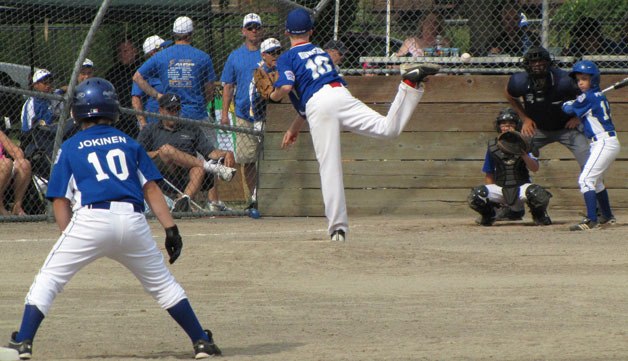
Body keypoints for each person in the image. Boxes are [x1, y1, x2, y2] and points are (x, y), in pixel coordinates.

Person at [6, 78, 222, 359]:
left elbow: (60, 199)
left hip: (91, 219)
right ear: (112, 108)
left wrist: (68, 236)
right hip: (133, 221)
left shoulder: (71, 147)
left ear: (78, 110)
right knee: (163, 285)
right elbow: (151, 189)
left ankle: (23, 341)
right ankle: (200, 341)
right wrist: (171, 228)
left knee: (49, 278)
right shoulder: (129, 144)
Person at [269, 8, 440, 241]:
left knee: (329, 166)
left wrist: (271, 95)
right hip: (340, 94)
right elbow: (311, 95)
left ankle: (338, 228)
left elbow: (286, 89)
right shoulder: (320, 51)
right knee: (387, 129)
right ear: (311, 31)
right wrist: (294, 128)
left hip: (318, 104)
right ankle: (409, 84)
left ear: (287, 32)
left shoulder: (286, 57)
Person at [137, 93, 236, 212]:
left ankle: (182, 202)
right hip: (161, 175)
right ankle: (213, 168)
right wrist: (160, 152)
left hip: (186, 176)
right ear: (161, 110)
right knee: (167, 150)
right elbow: (138, 155)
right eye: (170, 109)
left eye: (177, 109)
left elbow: (211, 152)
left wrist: (227, 153)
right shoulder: (150, 129)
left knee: (198, 169)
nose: (174, 113)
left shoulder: (191, 128)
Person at [506, 47, 589, 167]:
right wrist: (525, 118)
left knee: (588, 159)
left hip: (566, 127)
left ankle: (593, 185)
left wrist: (578, 117)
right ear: (527, 64)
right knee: (514, 151)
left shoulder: (564, 80)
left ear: (549, 62)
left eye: (541, 61)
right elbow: (509, 94)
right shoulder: (520, 81)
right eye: (533, 62)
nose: (537, 65)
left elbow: (587, 97)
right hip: (536, 128)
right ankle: (519, 184)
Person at [468, 108, 552, 226]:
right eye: (503, 124)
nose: (507, 127)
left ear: (517, 125)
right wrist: (492, 200)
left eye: (511, 123)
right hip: (500, 188)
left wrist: (523, 153)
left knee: (538, 194)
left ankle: (538, 216)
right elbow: (489, 173)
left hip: (520, 187)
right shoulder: (493, 145)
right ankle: (490, 215)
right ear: (498, 126)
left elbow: (535, 168)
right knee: (477, 194)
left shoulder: (526, 142)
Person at [562, 61, 619, 231]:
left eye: (584, 79)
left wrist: (567, 103)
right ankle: (607, 216)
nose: (580, 82)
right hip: (602, 142)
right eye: (579, 79)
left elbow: (567, 110)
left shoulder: (588, 97)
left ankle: (591, 220)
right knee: (597, 181)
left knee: (586, 180)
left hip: (603, 141)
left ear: (593, 80)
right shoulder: (595, 96)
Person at [133, 16, 216, 122]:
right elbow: (209, 89)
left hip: (171, 114)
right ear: (191, 33)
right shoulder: (202, 56)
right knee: (207, 138)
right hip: (196, 113)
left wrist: (157, 95)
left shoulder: (161, 56)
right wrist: (202, 102)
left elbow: (137, 77)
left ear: (174, 33)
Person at [220, 13, 264, 210]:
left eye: (257, 27)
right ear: (243, 31)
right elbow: (228, 86)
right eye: (250, 27)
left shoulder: (269, 52)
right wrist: (223, 114)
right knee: (247, 159)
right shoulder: (235, 56)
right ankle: (253, 197)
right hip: (243, 114)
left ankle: (265, 197)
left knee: (268, 157)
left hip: (266, 113)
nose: (254, 30)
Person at [106, 40, 141, 138]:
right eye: (120, 52)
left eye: (125, 51)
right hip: (120, 117)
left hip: (138, 114)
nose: (122, 54)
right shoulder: (113, 73)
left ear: (135, 51)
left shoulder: (142, 69)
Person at [132, 35, 167, 130]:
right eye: (162, 48)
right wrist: (142, 123)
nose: (167, 51)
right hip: (154, 124)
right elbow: (136, 99)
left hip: (173, 120)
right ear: (152, 53)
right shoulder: (143, 73)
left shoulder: (168, 68)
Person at [0, 129, 31, 216]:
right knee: (6, 163)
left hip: (3, 167)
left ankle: (17, 207)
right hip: (3, 165)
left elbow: (17, 153)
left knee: (24, 164)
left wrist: (18, 156)